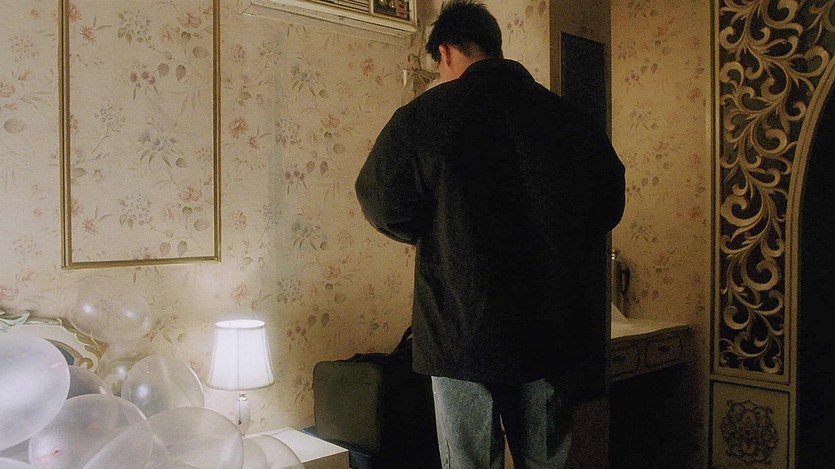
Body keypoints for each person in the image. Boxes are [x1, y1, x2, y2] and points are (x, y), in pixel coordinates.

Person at [355, 1, 626, 467]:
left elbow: (378, 199)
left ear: (446, 52)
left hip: (459, 329)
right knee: (546, 461)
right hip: (549, 330)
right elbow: (607, 202)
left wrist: (436, 233)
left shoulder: (423, 117)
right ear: (494, 47)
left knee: (469, 463)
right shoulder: (567, 119)